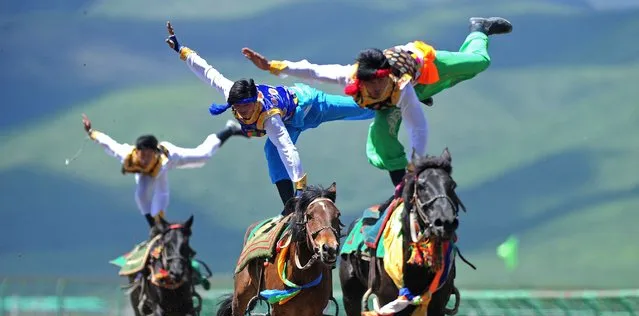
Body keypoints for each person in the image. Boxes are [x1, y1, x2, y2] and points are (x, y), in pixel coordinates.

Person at [242, 17, 513, 187]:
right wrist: (274, 66)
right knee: (381, 140)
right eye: (370, 84)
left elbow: (418, 127)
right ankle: (401, 189)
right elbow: (313, 70)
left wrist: (416, 160)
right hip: (394, 104)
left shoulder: (400, 86)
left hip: (427, 68)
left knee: (479, 63)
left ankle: (479, 29)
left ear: (387, 77)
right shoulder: (350, 77)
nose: (375, 87)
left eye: (379, 82)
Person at [164, 22, 375, 210]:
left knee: (361, 107)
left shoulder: (268, 115)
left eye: (246, 107)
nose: (243, 112)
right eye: (238, 107)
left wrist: (300, 185)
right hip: (289, 121)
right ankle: (290, 207)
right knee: (271, 152)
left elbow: (287, 148)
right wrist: (181, 50)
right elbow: (207, 72)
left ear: (255, 100)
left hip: (310, 107)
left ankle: (394, 101)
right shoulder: (230, 91)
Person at [81, 113, 243, 227]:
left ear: (155, 152)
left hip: (172, 157)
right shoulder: (127, 155)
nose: (144, 158)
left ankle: (229, 130)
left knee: (203, 157)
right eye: (141, 153)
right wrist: (90, 131)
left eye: (148, 154)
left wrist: (159, 217)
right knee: (140, 194)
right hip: (143, 174)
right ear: (136, 151)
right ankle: (152, 225)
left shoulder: (163, 162)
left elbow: (162, 193)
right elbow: (107, 142)